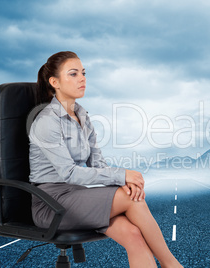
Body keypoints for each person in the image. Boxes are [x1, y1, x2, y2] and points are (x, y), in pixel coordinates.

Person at [29, 51, 182, 268]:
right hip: (52, 203)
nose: (82, 78)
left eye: (83, 73)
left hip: (78, 196)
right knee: (132, 199)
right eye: (73, 74)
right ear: (55, 82)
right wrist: (122, 174)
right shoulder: (47, 122)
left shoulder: (82, 116)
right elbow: (69, 173)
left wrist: (123, 181)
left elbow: (98, 165)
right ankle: (172, 265)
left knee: (133, 234)